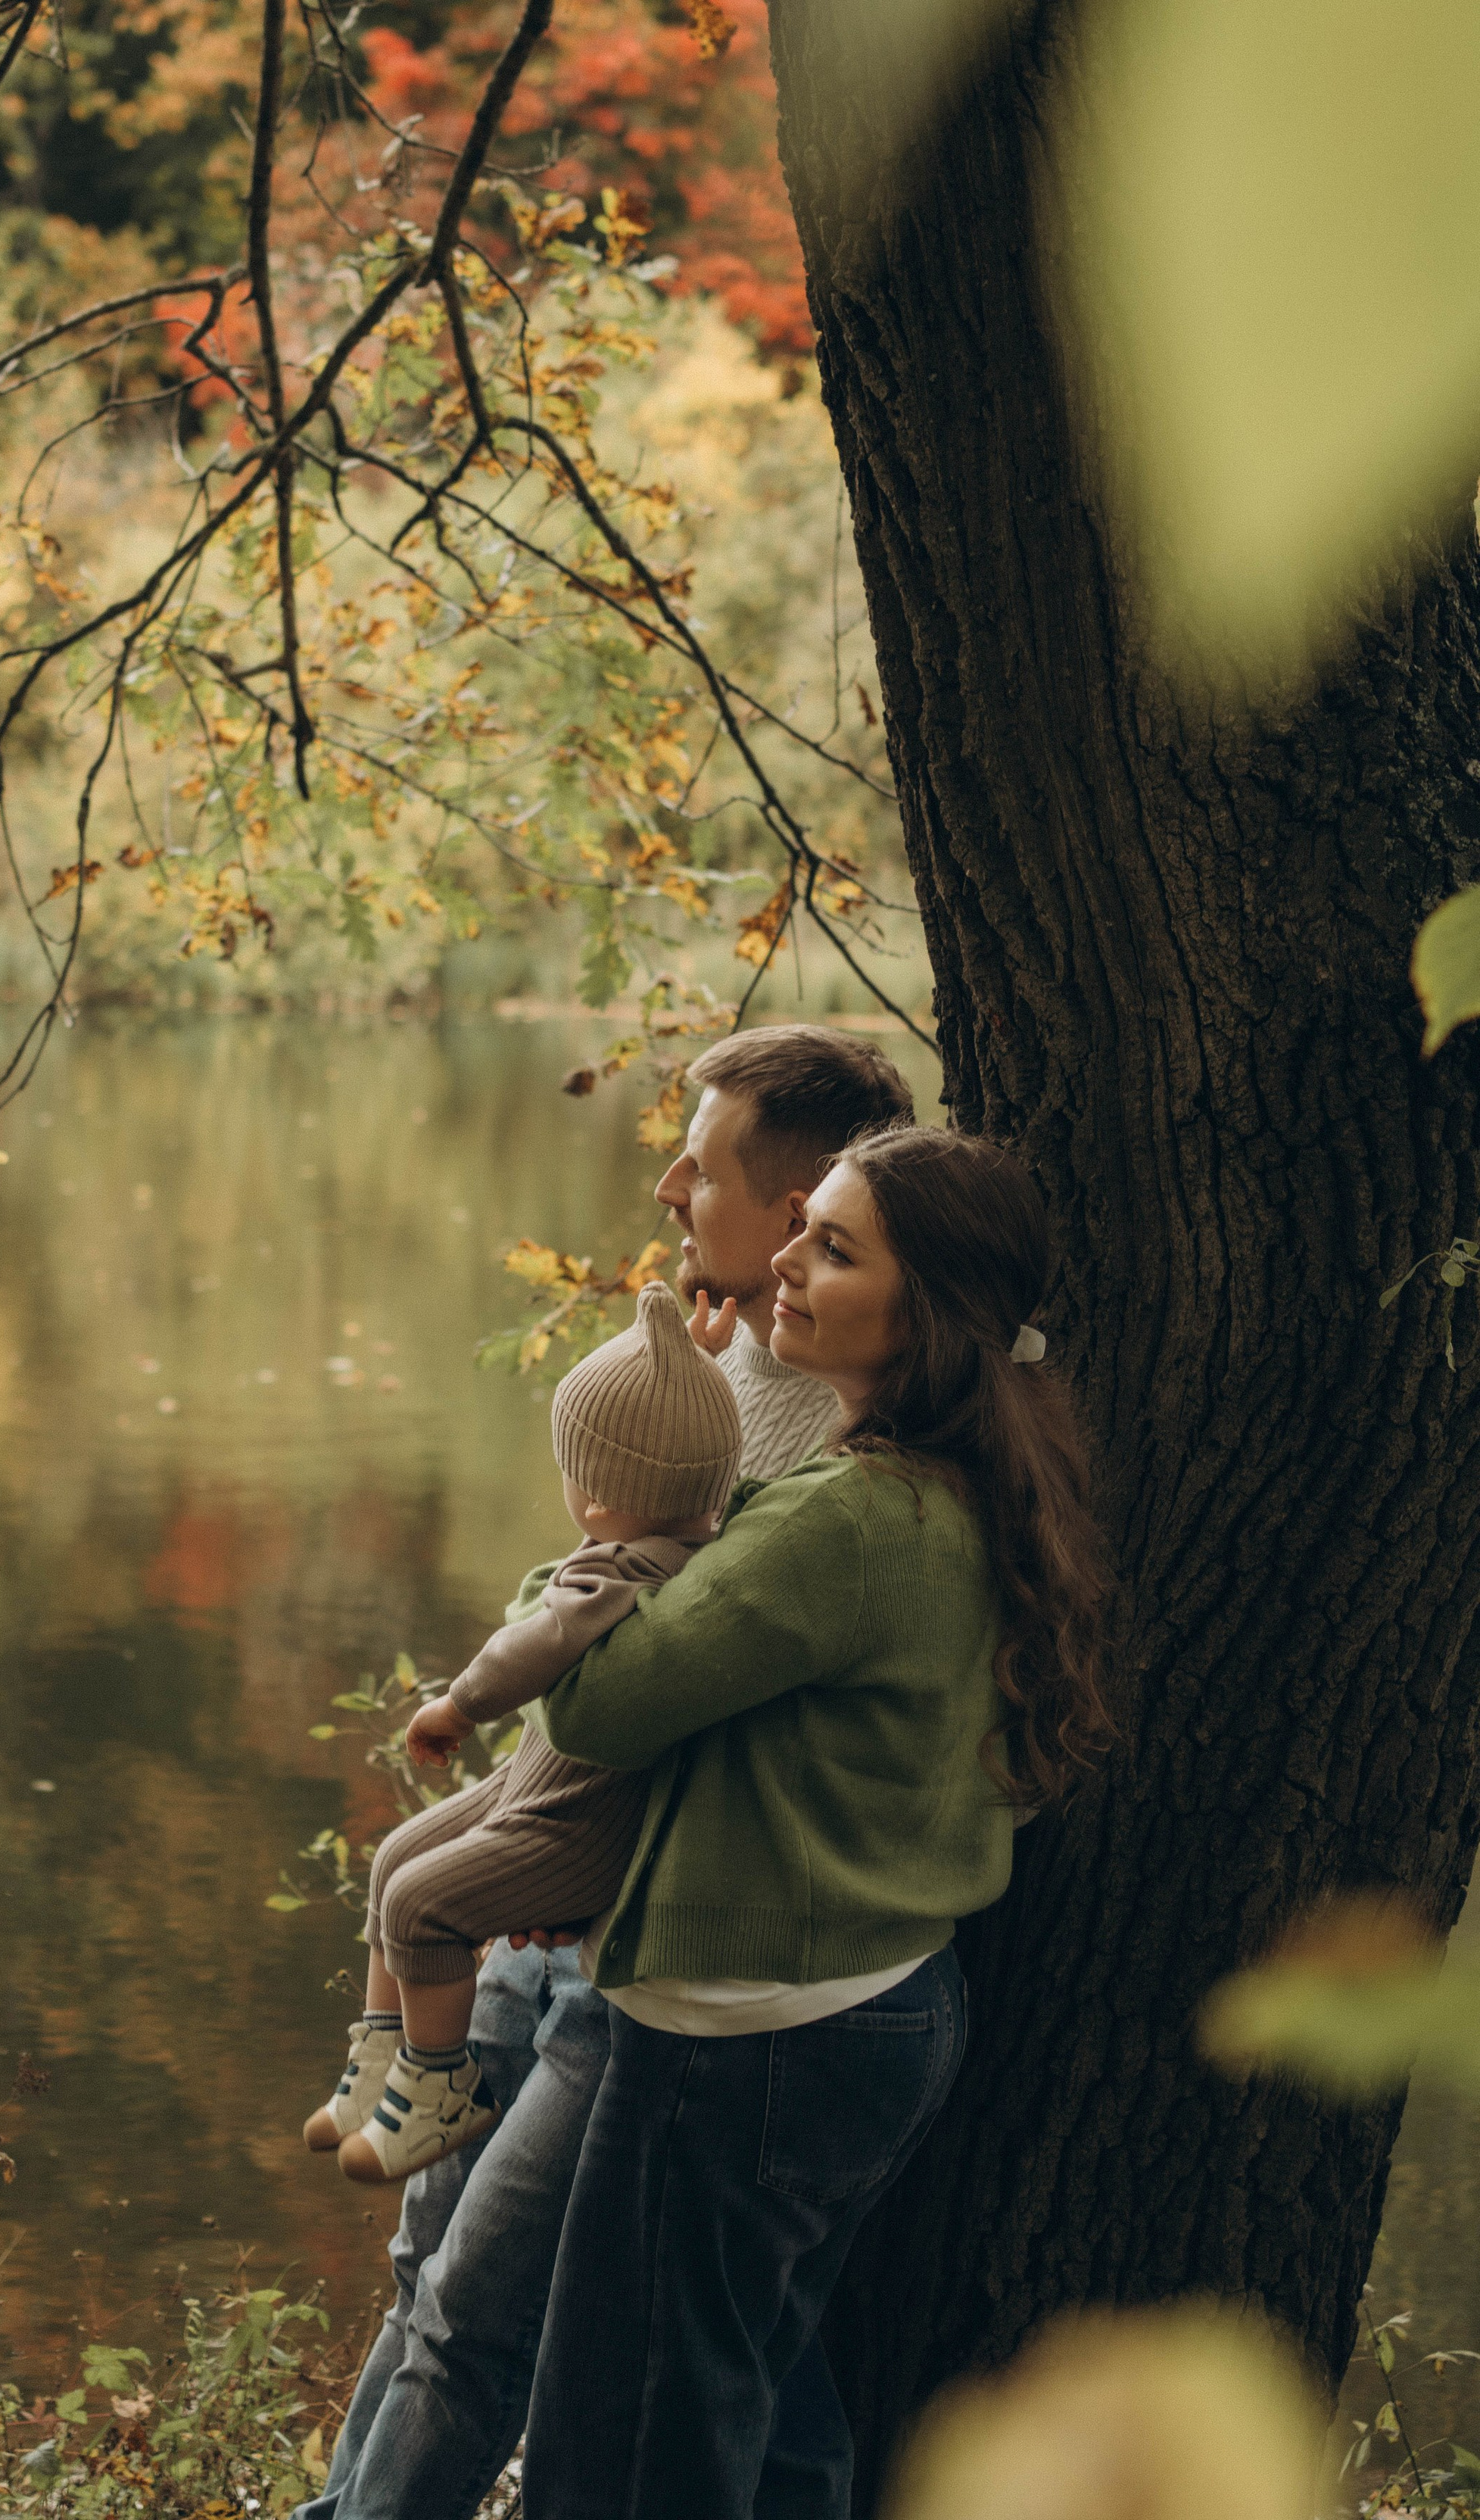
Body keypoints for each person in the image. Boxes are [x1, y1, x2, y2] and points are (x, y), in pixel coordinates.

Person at [297, 1021, 914, 2520]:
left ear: (792, 1211)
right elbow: (596, 1583)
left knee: (497, 2326)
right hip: (549, 1892)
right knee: (429, 2278)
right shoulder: (713, 1373)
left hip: (648, 1945)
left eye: (692, 1165)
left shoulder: (857, 1452)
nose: (661, 1188)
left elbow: (652, 1675)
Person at [519, 1123, 1115, 2520]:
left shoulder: (848, 1521)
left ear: (935, 1311)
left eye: (834, 1245)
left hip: (748, 2044)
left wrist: (597, 1560)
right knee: (763, 2412)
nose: (783, 1258)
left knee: (630, 2450)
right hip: (883, 2006)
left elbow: (594, 1708)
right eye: (804, 1230)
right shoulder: (979, 1482)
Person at [306, 1281, 742, 2184]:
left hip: (573, 1820)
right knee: (393, 1862)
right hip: (538, 1787)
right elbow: (683, 1451)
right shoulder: (682, 1539)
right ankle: (385, 2051)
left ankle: (440, 2083)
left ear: (600, 1490)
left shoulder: (617, 1575)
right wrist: (698, 1366)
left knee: (423, 1903)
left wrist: (456, 1707)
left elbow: (531, 1645)